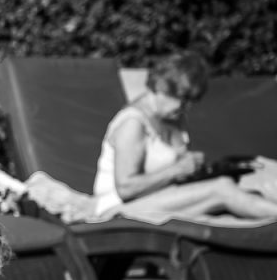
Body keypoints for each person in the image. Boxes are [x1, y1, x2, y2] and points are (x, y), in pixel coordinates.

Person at [92, 51, 277, 222]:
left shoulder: (173, 118)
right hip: (119, 209)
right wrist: (176, 170)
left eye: (191, 102)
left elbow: (173, 175)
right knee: (222, 189)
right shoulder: (133, 123)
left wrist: (198, 170)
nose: (185, 108)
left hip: (156, 200)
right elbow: (125, 189)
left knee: (244, 187)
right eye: (182, 99)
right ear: (161, 87)